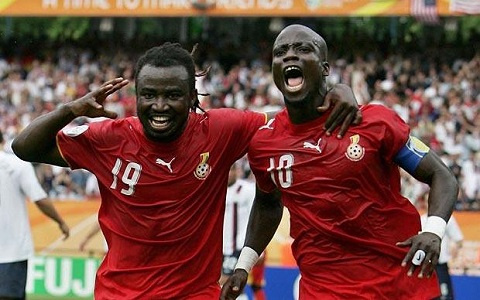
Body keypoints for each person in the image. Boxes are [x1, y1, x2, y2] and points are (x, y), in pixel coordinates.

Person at [12, 42, 360, 299]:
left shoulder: (222, 129)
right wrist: (69, 109)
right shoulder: (107, 138)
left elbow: (293, 119)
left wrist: (336, 91)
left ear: (192, 96)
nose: (159, 106)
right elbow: (23, 146)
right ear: (136, 96)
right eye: (149, 95)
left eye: (172, 95)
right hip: (119, 294)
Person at [221, 25, 459, 300]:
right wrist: (244, 265)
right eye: (280, 52)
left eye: (303, 49)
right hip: (324, 289)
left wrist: (434, 231)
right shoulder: (264, 143)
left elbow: (442, 176)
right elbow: (268, 204)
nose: (289, 56)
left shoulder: (373, 122)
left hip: (397, 284)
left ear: (325, 68)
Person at [0, 131, 70, 300]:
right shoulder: (16, 165)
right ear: (3, 140)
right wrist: (60, 222)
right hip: (12, 253)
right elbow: (39, 198)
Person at [221, 161, 266, 300]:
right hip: (223, 248)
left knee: (231, 285)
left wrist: (261, 249)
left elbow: (263, 212)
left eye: (230, 170)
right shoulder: (218, 192)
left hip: (241, 247)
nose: (227, 175)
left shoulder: (247, 189)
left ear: (236, 171)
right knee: (232, 287)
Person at [421, 210, 463, 300]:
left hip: (440, 264)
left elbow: (458, 240)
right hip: (425, 265)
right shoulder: (422, 219)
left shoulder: (447, 219)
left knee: (444, 294)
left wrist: (454, 250)